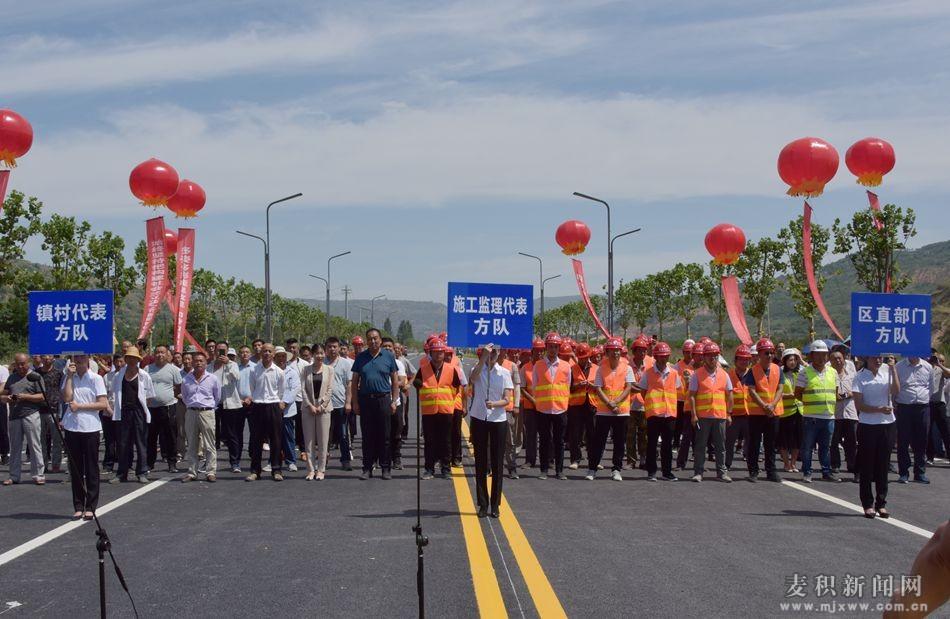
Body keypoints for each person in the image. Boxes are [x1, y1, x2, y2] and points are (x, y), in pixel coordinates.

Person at [60, 354, 109, 519]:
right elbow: (66, 398)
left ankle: (91, 505)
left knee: (91, 467)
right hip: (72, 427)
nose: (79, 359)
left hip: (90, 427)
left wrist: (80, 406)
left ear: (88, 359)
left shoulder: (96, 378)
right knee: (76, 468)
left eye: (82, 356)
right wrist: (68, 377)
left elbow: (102, 404)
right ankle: (78, 505)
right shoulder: (69, 376)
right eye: (76, 357)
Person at [468, 345, 513, 518]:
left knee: (497, 463)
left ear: (500, 353)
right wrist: (482, 357)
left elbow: (507, 399)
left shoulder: (504, 373)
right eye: (489, 351)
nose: (492, 355)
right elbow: (472, 378)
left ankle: (495, 504)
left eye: (495, 352)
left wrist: (494, 404)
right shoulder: (477, 368)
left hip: (498, 419)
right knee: (480, 461)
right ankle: (482, 504)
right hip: (479, 418)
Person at [852, 354, 900, 518]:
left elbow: (896, 392)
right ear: (867, 359)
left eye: (880, 357)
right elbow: (859, 405)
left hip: (887, 424)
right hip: (868, 425)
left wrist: (893, 369)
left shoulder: (887, 371)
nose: (878, 360)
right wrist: (878, 409)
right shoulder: (860, 376)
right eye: (875, 358)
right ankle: (867, 504)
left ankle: (881, 503)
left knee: (883, 465)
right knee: (867, 466)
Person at [351, 329, 400, 480]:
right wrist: (355, 403)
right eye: (370, 339)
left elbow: (395, 380)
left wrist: (394, 401)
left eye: (375, 338)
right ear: (367, 341)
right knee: (367, 436)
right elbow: (354, 382)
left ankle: (386, 468)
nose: (373, 341)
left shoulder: (388, 356)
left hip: (384, 400)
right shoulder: (361, 358)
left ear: (380, 340)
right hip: (366, 400)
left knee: (385, 436)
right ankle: (367, 468)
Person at [586, 337, 634, 480]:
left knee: (619, 442)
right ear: (607, 352)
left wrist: (616, 403)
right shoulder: (601, 368)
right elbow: (598, 388)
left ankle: (616, 469)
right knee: (598, 441)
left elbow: (629, 387)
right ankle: (592, 469)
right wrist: (609, 404)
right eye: (612, 351)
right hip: (604, 412)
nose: (616, 354)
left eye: (618, 351)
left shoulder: (627, 368)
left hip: (621, 412)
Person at [795, 340, 841, 483]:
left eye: (824, 355)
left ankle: (826, 472)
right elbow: (797, 393)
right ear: (812, 355)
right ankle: (807, 472)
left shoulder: (833, 372)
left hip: (829, 416)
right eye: (819, 355)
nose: (822, 358)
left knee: (825, 447)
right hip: (811, 416)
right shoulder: (805, 373)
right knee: (808, 446)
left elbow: (836, 392)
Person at [413, 339, 458, 479]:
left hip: (445, 410)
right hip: (429, 411)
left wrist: (446, 400)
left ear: (444, 353)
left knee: (446, 441)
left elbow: (456, 387)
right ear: (430, 353)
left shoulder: (451, 369)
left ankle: (446, 469)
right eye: (435, 352)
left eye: (441, 352)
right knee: (429, 441)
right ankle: (429, 469)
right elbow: (417, 383)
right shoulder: (424, 369)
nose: (438, 355)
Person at [689, 342, 734, 482]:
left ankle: (722, 473)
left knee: (721, 446)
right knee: (700, 446)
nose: (712, 358)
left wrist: (729, 414)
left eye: (715, 355)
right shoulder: (697, 374)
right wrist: (694, 415)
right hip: (703, 417)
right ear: (704, 357)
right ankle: (698, 472)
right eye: (709, 356)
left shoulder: (724, 375)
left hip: (720, 416)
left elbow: (730, 395)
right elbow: (692, 395)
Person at [110, 347, 155, 484]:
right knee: (123, 444)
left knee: (141, 443)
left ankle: (141, 472)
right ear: (126, 359)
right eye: (129, 357)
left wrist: (141, 409)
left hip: (139, 412)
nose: (131, 360)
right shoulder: (118, 376)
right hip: (123, 412)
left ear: (138, 360)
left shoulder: (144, 375)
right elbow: (113, 393)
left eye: (134, 358)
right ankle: (121, 473)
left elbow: (149, 397)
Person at [637, 342, 681, 481]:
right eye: (661, 356)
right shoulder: (648, 373)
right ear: (655, 357)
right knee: (652, 443)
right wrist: (652, 404)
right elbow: (643, 391)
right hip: (654, 413)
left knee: (667, 445)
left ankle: (667, 472)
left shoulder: (674, 373)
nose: (664, 359)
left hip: (669, 414)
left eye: (666, 356)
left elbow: (678, 389)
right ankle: (652, 472)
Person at [1, 353, 47, 485]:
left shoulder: (35, 377)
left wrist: (25, 397)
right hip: (14, 416)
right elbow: (4, 394)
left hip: (30, 414)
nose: (20, 367)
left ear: (28, 362)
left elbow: (42, 396)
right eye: (18, 364)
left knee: (34, 444)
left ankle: (38, 474)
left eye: (23, 364)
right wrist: (7, 398)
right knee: (15, 447)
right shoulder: (12, 378)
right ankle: (14, 476)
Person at [743, 338, 783, 482]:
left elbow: (780, 388)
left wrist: (772, 405)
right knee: (754, 443)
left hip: (773, 412)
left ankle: (771, 471)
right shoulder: (753, 371)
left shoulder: (777, 369)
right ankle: (753, 471)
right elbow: (752, 391)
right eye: (766, 353)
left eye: (772, 353)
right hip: (757, 413)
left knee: (770, 444)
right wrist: (764, 406)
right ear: (759, 354)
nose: (770, 356)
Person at [533, 332, 571, 480]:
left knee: (559, 441)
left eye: (555, 347)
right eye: (550, 346)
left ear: (559, 348)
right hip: (543, 409)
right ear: (546, 347)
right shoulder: (538, 365)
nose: (553, 349)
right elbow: (536, 386)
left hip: (560, 409)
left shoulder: (566, 366)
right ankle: (543, 470)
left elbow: (567, 386)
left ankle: (559, 470)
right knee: (544, 440)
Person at [894, 354, 936, 484]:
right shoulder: (899, 366)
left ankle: (920, 473)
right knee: (903, 441)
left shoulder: (927, 367)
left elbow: (931, 388)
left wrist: (923, 400)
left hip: (922, 408)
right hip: (904, 407)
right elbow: (895, 387)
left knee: (921, 441)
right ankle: (903, 473)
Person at [247, 344, 286, 481]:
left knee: (276, 440)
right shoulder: (254, 370)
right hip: (258, 406)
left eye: (269, 351)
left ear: (273, 354)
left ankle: (276, 470)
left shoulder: (279, 372)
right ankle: (255, 471)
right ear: (260, 353)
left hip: (273, 406)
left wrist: (278, 402)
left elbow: (281, 390)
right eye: (264, 351)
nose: (267, 353)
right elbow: (252, 388)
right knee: (256, 440)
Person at [300, 344, 334, 480]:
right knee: (309, 441)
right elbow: (302, 389)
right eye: (316, 353)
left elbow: (330, 389)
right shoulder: (305, 369)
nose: (319, 356)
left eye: (321, 353)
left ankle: (321, 470)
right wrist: (309, 405)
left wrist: (321, 405)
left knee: (323, 441)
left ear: (324, 354)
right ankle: (310, 470)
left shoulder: (329, 370)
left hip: (324, 409)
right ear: (312, 355)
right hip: (308, 409)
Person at [145, 345, 182, 474]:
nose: (160, 355)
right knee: (150, 437)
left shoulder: (174, 370)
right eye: (157, 352)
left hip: (168, 407)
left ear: (167, 355)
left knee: (170, 436)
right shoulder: (147, 369)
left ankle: (172, 463)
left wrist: (172, 396)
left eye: (162, 352)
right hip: (151, 408)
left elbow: (179, 386)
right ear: (154, 354)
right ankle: (149, 464)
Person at [324, 337, 354, 471]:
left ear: (339, 347)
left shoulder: (346, 364)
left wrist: (348, 402)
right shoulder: (321, 363)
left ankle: (345, 459)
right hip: (324, 405)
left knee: (343, 434)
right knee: (325, 435)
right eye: (329, 346)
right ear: (326, 349)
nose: (332, 349)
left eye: (335, 346)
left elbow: (349, 384)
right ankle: (323, 459)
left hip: (340, 404)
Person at [213, 344, 244, 473]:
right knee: (212, 435)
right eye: (219, 350)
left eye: (223, 351)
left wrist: (227, 365)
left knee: (232, 434)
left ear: (227, 351)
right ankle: (209, 463)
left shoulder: (233, 364)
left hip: (229, 404)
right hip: (213, 404)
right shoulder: (210, 366)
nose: (221, 353)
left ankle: (235, 462)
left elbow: (236, 377)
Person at [626, 335, 654, 469]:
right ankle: (631, 461)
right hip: (630, 406)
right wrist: (640, 387)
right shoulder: (627, 367)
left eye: (644, 350)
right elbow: (628, 386)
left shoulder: (649, 367)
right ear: (634, 352)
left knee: (644, 435)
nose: (642, 353)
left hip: (644, 405)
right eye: (640, 351)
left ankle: (643, 459)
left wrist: (636, 386)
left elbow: (649, 385)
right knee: (630, 435)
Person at [567, 343, 596, 470]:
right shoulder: (572, 369)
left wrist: (592, 386)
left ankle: (593, 459)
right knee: (575, 434)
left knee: (592, 433)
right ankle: (575, 459)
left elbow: (601, 387)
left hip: (591, 404)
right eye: (581, 358)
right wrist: (578, 385)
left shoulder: (596, 368)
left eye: (585, 357)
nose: (583, 360)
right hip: (576, 405)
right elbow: (567, 388)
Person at [830, 349, 858, 481]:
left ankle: (852, 464)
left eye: (840, 358)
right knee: (834, 441)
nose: (838, 360)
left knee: (851, 442)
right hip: (835, 413)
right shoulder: (829, 375)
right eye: (834, 358)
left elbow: (856, 391)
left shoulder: (852, 374)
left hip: (850, 413)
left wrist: (846, 395)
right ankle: (835, 464)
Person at [34, 355, 64, 474]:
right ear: (41, 358)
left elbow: (62, 391)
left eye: (49, 357)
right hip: (38, 409)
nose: (47, 359)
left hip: (54, 410)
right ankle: (43, 464)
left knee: (56, 440)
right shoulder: (36, 374)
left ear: (53, 358)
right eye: (44, 357)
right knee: (40, 440)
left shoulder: (59, 373)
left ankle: (56, 464)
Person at [274, 346, 301, 473]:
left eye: (283, 356)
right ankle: (273, 462)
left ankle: (291, 461)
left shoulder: (292, 372)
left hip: (288, 409)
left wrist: (284, 402)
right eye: (278, 356)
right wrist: (276, 403)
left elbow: (295, 388)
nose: (281, 359)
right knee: (274, 437)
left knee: (288, 436)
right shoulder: (270, 371)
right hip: (273, 408)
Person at [381, 337, 407, 469]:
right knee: (381, 432)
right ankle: (381, 459)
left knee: (396, 432)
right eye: (384, 346)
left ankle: (396, 459)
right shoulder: (377, 362)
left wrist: (391, 383)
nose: (387, 348)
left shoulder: (398, 363)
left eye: (389, 346)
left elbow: (403, 381)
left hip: (395, 401)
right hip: (380, 402)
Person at [725, 345, 752, 473]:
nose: (744, 361)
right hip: (733, 414)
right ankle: (727, 464)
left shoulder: (753, 375)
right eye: (741, 359)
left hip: (749, 414)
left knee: (751, 442)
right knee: (729, 442)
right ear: (735, 360)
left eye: (746, 359)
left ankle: (752, 466)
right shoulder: (728, 375)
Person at [676, 342, 702, 471]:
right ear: (693, 355)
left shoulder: (708, 370)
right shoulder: (688, 371)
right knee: (686, 438)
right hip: (689, 409)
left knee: (700, 440)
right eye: (697, 355)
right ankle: (681, 464)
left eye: (703, 355)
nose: (700, 357)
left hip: (703, 409)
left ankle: (699, 464)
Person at [520, 338, 544, 471]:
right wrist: (533, 400)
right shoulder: (525, 368)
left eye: (542, 351)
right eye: (537, 351)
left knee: (547, 434)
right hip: (531, 406)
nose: (540, 353)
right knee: (531, 435)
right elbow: (522, 388)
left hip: (546, 406)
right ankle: (530, 460)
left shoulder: (546, 366)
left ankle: (549, 460)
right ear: (532, 352)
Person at [778, 348, 804, 473]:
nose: (792, 362)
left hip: (799, 411)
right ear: (785, 361)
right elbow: (778, 394)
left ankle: (793, 463)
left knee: (797, 439)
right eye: (790, 360)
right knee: (784, 439)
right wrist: (792, 395)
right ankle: (786, 463)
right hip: (785, 412)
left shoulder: (800, 373)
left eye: (794, 359)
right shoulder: (780, 373)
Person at [102, 354, 124, 473]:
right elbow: (103, 395)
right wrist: (109, 410)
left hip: (123, 413)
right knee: (109, 440)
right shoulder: (107, 377)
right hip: (109, 412)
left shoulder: (127, 376)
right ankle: (108, 464)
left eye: (121, 361)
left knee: (123, 440)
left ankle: (124, 464)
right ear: (114, 363)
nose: (119, 364)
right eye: (117, 362)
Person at [928, 352, 950, 463]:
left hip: (940, 403)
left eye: (941, 360)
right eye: (937, 360)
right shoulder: (926, 368)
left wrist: (939, 365)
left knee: (945, 430)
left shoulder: (942, 370)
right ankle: (929, 456)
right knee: (928, 431)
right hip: (928, 403)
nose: (938, 362)